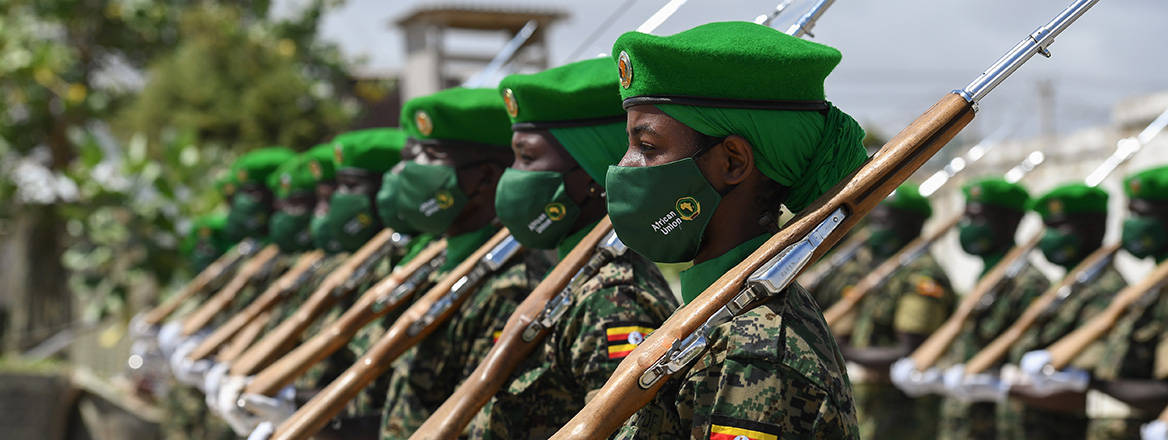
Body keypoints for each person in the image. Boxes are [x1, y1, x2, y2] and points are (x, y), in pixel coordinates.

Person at [600, 21, 865, 439]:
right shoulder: (719, 316)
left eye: (647, 147)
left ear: (732, 163)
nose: (625, 166)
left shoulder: (753, 350)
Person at [458, 57, 679, 439]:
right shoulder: (568, 279)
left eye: (527, 158)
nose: (512, 176)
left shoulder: (614, 299)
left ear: (591, 175)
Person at [374, 87, 554, 438]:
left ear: (485, 178)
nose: (410, 170)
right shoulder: (440, 260)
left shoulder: (510, 286)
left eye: (431, 155)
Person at [1020, 167, 1168, 440]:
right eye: (1130, 213)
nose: (1131, 224)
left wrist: (1090, 382)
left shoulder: (1123, 289)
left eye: (1143, 214)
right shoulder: (1146, 287)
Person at [989, 182, 1126, 439]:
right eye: (1047, 228)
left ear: (1094, 229)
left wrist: (1004, 387)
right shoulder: (1060, 287)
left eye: (1059, 226)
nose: (1049, 237)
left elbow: (1085, 386)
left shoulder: (1107, 292)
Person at [935, 178, 1051, 440]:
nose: (969, 228)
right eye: (967, 218)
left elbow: (1025, 366)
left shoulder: (1028, 284)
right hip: (963, 422)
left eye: (979, 218)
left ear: (1011, 222)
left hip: (1002, 425)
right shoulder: (984, 275)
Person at [840, 183, 956, 439]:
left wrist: (841, 353)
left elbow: (910, 351)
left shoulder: (922, 276)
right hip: (870, 407)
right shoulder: (881, 271)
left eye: (885, 222)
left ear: (911, 225)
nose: (874, 230)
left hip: (904, 415)